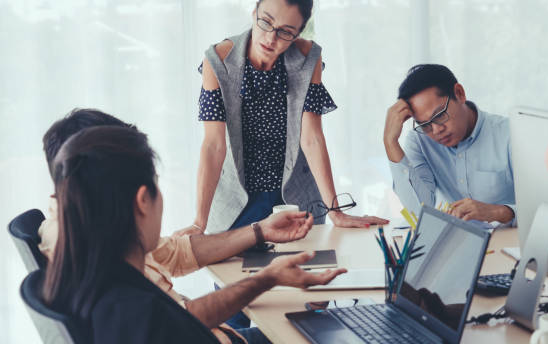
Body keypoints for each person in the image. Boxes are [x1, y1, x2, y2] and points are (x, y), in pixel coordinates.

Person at [39, 109, 338, 343]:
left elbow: (175, 253)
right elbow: (175, 322)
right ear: (143, 199)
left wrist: (259, 230)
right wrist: (267, 279)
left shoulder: (94, 256)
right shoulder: (128, 302)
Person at [195, 0, 388, 240]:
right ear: (254, 13)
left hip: (293, 200)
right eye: (265, 21)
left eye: (285, 31)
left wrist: (335, 211)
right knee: (236, 276)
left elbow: (312, 139)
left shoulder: (308, 58)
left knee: (301, 273)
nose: (270, 38)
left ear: (298, 33)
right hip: (236, 205)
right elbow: (214, 146)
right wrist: (198, 223)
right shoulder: (217, 60)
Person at [383, 64, 515, 225]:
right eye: (425, 125)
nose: (436, 130)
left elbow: (547, 210)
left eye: (439, 115)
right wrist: (390, 142)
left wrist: (499, 212)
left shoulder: (511, 135)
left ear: (459, 94)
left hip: (508, 244)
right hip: (455, 246)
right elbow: (418, 212)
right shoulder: (420, 140)